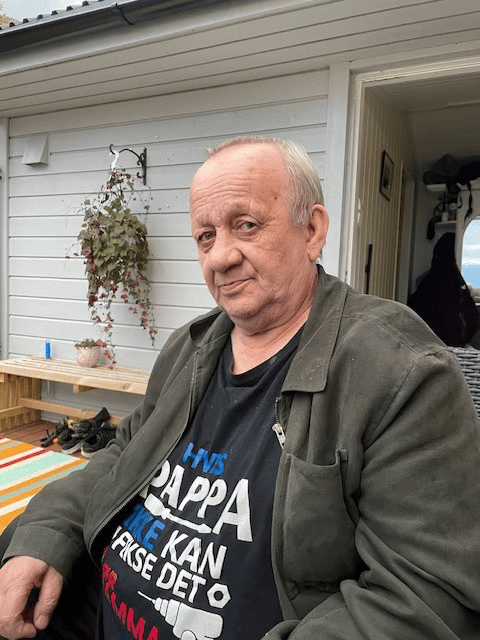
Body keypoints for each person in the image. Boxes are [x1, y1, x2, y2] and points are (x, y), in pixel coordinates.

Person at [1, 136, 480, 640]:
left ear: (312, 230)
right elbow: (124, 453)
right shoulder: (189, 347)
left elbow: (425, 597)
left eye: (246, 225)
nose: (221, 257)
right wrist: (46, 532)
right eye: (205, 237)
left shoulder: (401, 372)